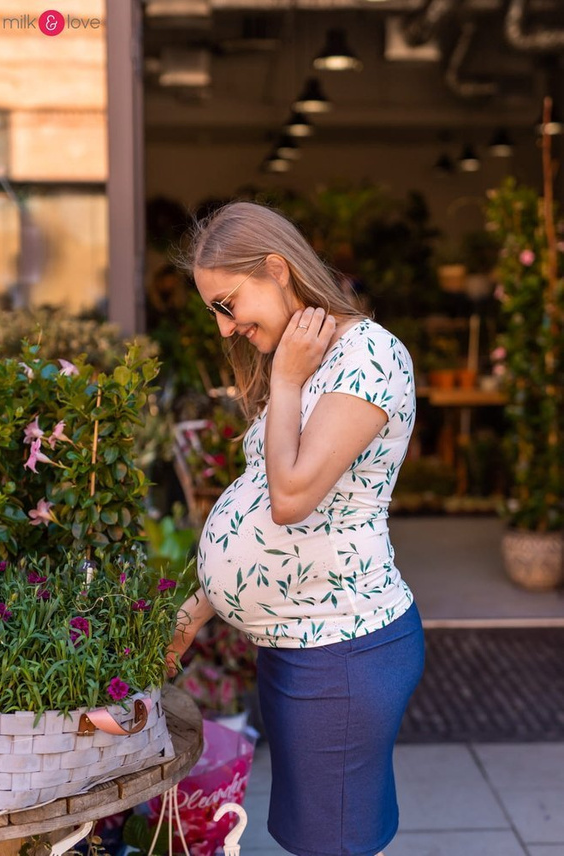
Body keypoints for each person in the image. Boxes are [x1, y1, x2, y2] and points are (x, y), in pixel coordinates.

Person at [167, 201, 425, 856]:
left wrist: (285, 380)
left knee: (329, 842)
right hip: (301, 646)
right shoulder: (315, 357)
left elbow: (290, 497)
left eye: (228, 304)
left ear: (277, 270)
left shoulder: (367, 356)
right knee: (317, 836)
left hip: (341, 651)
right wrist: (200, 606)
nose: (225, 329)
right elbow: (263, 496)